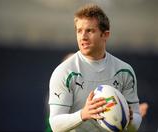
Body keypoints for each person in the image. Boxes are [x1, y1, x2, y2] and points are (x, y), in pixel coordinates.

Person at [48, 3, 142, 132]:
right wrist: (83, 114)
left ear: (105, 35)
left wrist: (129, 120)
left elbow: (136, 119)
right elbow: (55, 124)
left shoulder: (124, 71)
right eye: (79, 31)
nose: (83, 37)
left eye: (89, 31)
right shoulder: (65, 71)